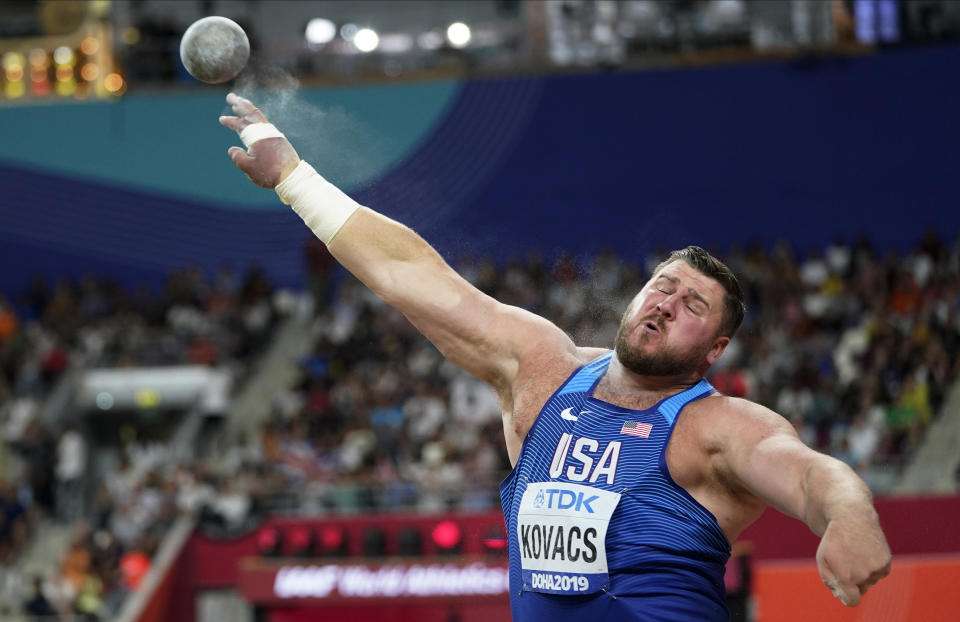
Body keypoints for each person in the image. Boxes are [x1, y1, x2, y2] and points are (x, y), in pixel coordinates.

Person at [219, 93, 891, 620]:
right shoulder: (542, 373)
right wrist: (294, 179)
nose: (665, 304)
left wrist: (851, 516)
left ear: (716, 350)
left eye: (692, 306)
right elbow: (414, 276)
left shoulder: (716, 430)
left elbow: (811, 476)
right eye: (662, 287)